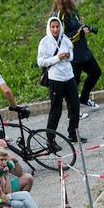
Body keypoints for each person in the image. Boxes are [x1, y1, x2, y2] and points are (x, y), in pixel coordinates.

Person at [52, 0, 102, 111]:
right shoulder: (59, 16)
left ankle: (84, 98)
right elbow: (62, 38)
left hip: (83, 51)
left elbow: (78, 24)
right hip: (72, 56)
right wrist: (79, 34)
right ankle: (73, 111)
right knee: (73, 84)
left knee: (96, 72)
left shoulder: (73, 10)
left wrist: (84, 28)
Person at [37, 16, 82, 144]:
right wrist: (57, 58)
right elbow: (41, 62)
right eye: (53, 27)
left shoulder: (65, 39)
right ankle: (50, 139)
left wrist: (67, 56)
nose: (55, 29)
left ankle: (73, 134)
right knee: (56, 110)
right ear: (49, 28)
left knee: (75, 106)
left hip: (69, 76)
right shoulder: (44, 42)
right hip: (55, 79)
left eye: (57, 27)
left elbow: (72, 54)